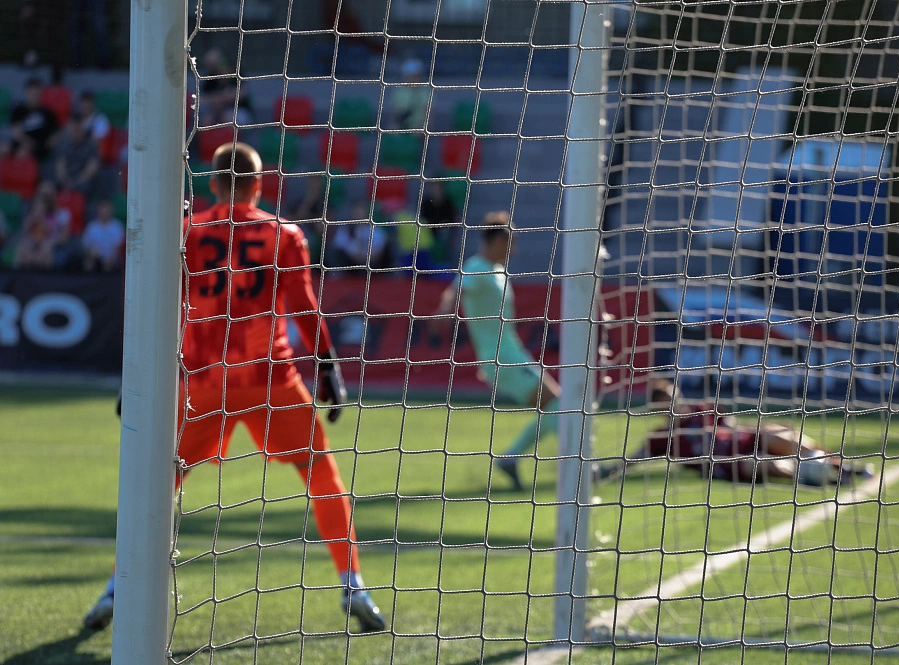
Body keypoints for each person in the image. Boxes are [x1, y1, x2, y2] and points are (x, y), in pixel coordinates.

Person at [83, 142, 386, 634]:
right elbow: (304, 306)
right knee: (321, 474)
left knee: (158, 483)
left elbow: (157, 306)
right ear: (259, 185)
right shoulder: (283, 233)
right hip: (270, 378)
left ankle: (118, 587)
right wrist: (328, 368)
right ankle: (353, 584)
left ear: (213, 183)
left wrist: (132, 376)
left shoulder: (186, 231)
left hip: (203, 380)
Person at [435, 211, 561, 490]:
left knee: (555, 404)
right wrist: (445, 309)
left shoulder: (499, 271)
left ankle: (512, 458)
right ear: (497, 242)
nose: (514, 249)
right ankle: (576, 464)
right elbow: (456, 290)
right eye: (511, 243)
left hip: (513, 354)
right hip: (500, 359)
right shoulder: (476, 267)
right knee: (556, 403)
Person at [595, 378, 875, 486]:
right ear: (656, 407)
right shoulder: (662, 437)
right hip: (728, 463)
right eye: (663, 401)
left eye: (671, 397)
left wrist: (766, 429)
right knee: (764, 465)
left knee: (782, 436)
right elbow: (636, 458)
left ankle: (842, 466)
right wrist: (607, 471)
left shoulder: (703, 410)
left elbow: (733, 425)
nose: (670, 404)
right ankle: (823, 478)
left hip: (746, 439)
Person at [10, 78, 60, 161]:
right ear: (26, 92)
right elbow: (16, 131)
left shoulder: (48, 112)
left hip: (40, 148)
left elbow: (57, 133)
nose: (34, 96)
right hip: (22, 145)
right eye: (32, 93)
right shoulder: (19, 110)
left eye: (37, 93)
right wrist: (27, 143)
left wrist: (48, 144)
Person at [54, 113, 101, 197]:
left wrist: (76, 182)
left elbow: (92, 169)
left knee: (87, 186)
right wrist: (66, 181)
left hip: (83, 182)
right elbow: (60, 167)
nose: (75, 129)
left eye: (78, 126)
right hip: (66, 181)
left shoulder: (91, 146)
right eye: (73, 126)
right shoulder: (63, 144)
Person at [81, 199, 124, 271]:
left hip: (113, 261)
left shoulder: (118, 226)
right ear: (98, 211)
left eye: (106, 212)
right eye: (102, 212)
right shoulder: (91, 226)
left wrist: (110, 260)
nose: (104, 214)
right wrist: (91, 254)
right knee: (87, 264)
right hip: (95, 259)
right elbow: (87, 246)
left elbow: (118, 247)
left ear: (111, 211)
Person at [389, 58, 430, 130]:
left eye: (416, 76)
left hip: (419, 128)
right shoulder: (399, 93)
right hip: (402, 126)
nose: (414, 79)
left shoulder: (426, 93)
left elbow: (429, 118)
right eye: (411, 76)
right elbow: (395, 114)